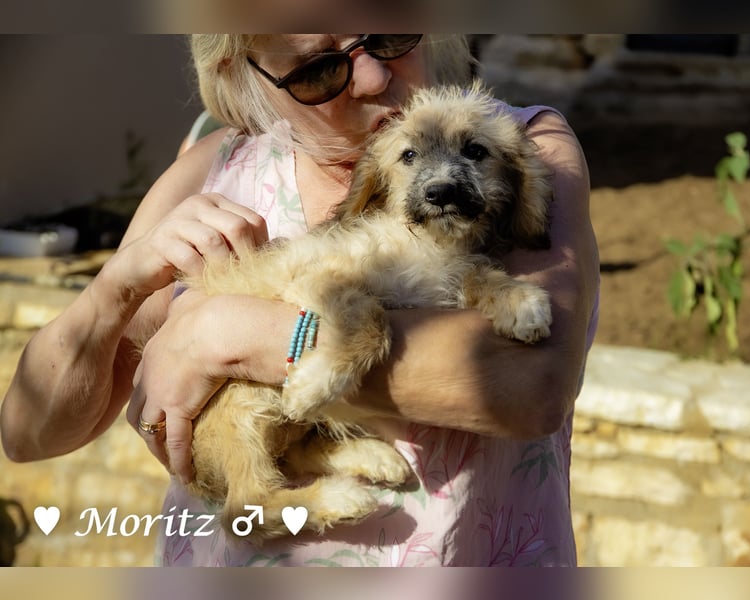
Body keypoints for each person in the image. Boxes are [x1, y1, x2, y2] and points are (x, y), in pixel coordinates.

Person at [0, 34, 599, 566]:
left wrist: (227, 335)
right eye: (319, 71)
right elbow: (29, 435)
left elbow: (530, 387)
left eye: (390, 38)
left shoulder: (522, 143)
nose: (372, 78)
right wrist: (116, 290)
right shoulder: (215, 169)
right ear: (243, 72)